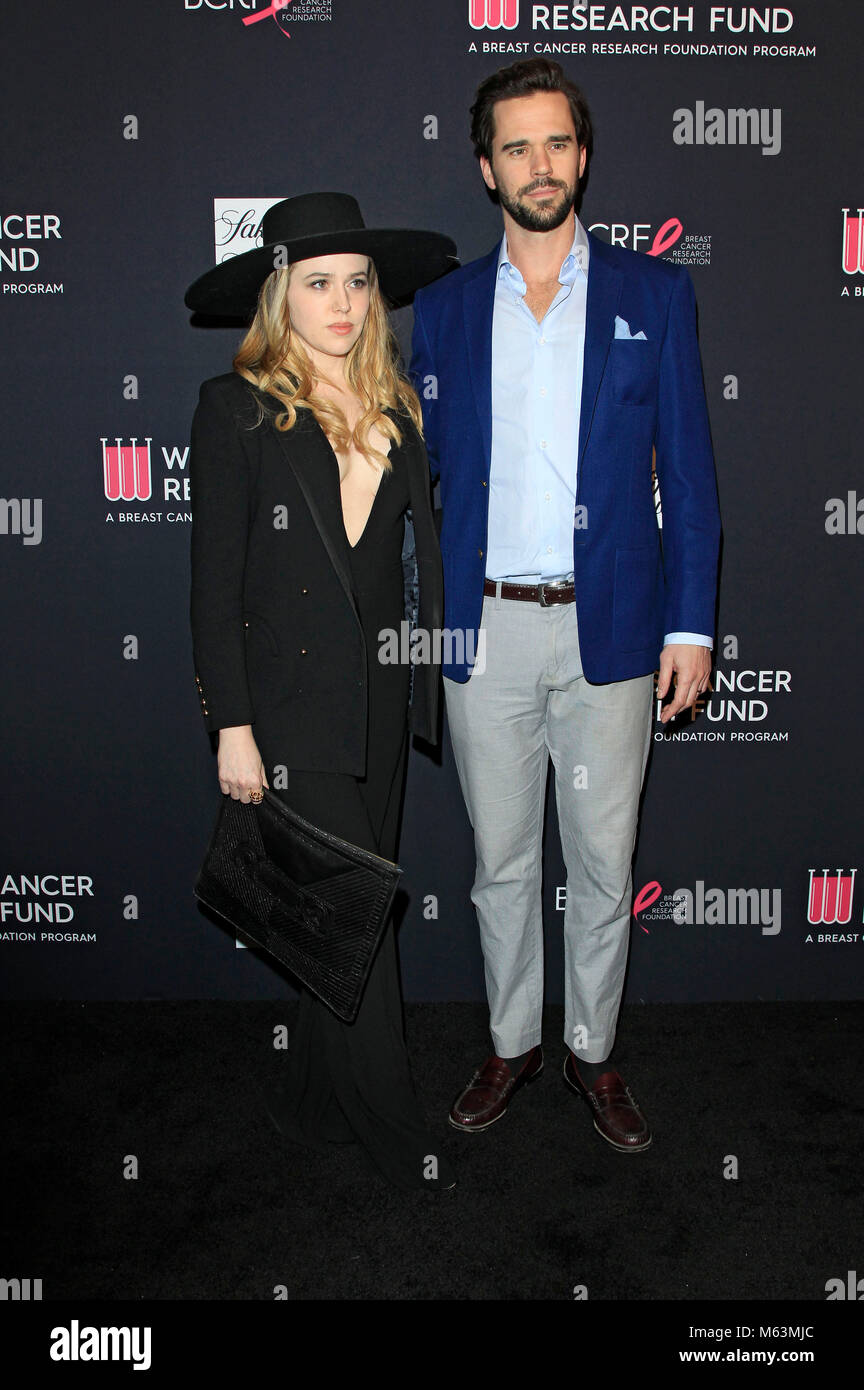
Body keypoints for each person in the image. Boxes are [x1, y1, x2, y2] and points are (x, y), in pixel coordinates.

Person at [410, 60, 721, 1152]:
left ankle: (590, 1050)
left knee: (600, 858)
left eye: (556, 143)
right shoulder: (443, 312)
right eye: (515, 147)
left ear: (580, 157)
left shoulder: (654, 295)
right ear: (485, 167)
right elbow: (421, 474)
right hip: (485, 630)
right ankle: (511, 1042)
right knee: (500, 861)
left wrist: (690, 625)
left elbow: (686, 475)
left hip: (616, 632)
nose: (538, 165)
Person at [184, 192, 458, 1191]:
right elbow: (213, 588)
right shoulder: (238, 409)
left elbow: (405, 566)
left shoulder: (401, 407)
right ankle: (398, 1138)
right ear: (281, 297)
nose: (341, 305)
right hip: (291, 712)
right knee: (358, 917)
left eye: (356, 284)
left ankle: (307, 1100)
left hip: (380, 701)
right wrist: (235, 727)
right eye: (317, 285)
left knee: (336, 921)